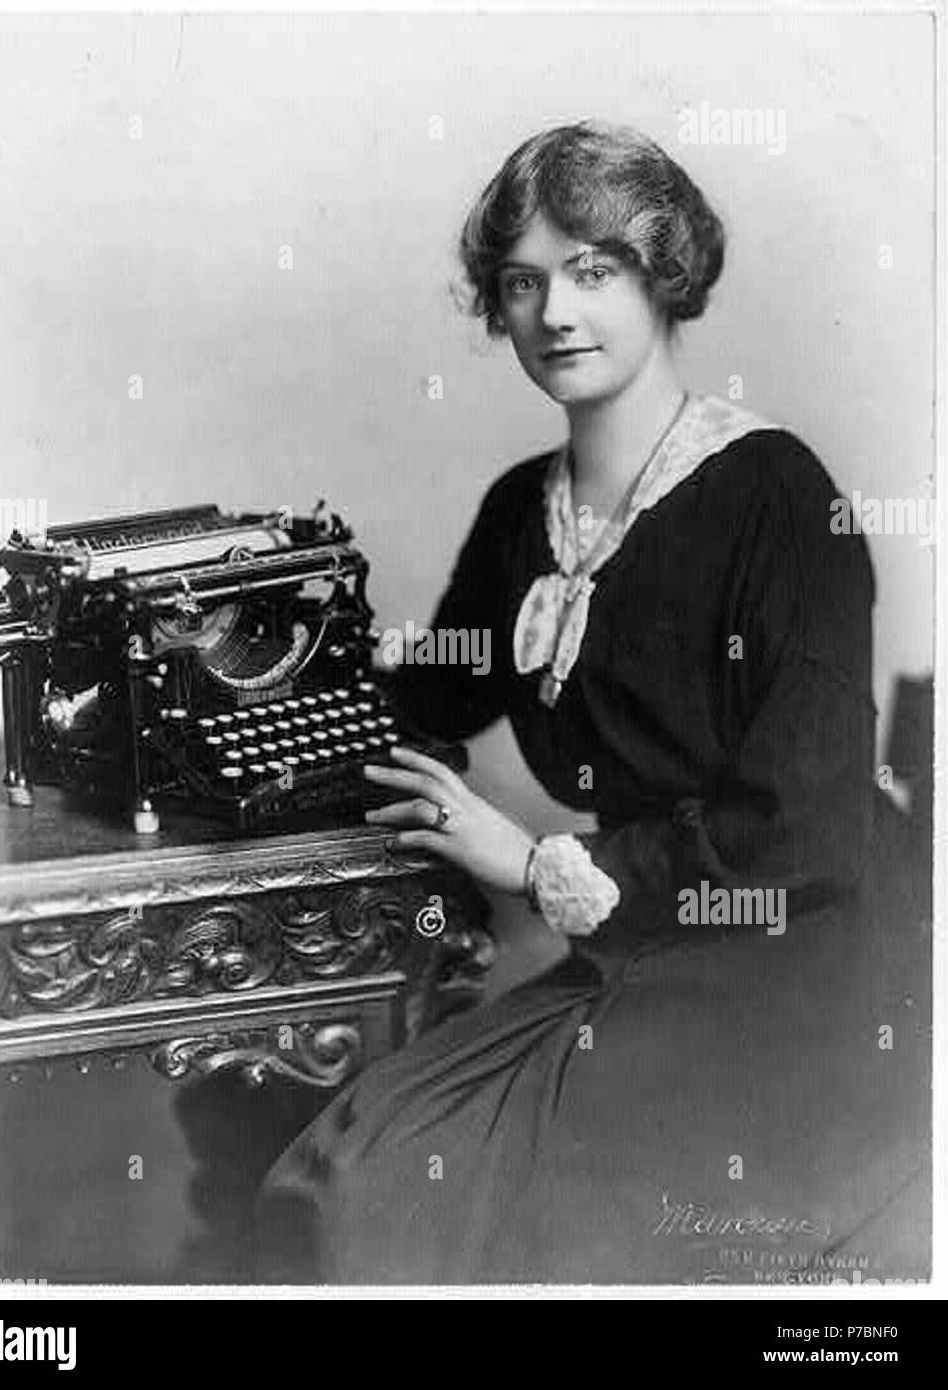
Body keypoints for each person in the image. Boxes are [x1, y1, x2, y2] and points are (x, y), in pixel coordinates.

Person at [253, 122, 930, 1284]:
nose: (553, 312)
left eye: (592, 270)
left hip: (811, 970)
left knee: (435, 1199)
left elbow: (805, 827)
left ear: (664, 275)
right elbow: (427, 696)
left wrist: (528, 868)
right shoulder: (527, 508)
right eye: (522, 282)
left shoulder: (778, 494)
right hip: (639, 947)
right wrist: (246, 668)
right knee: (353, 1158)